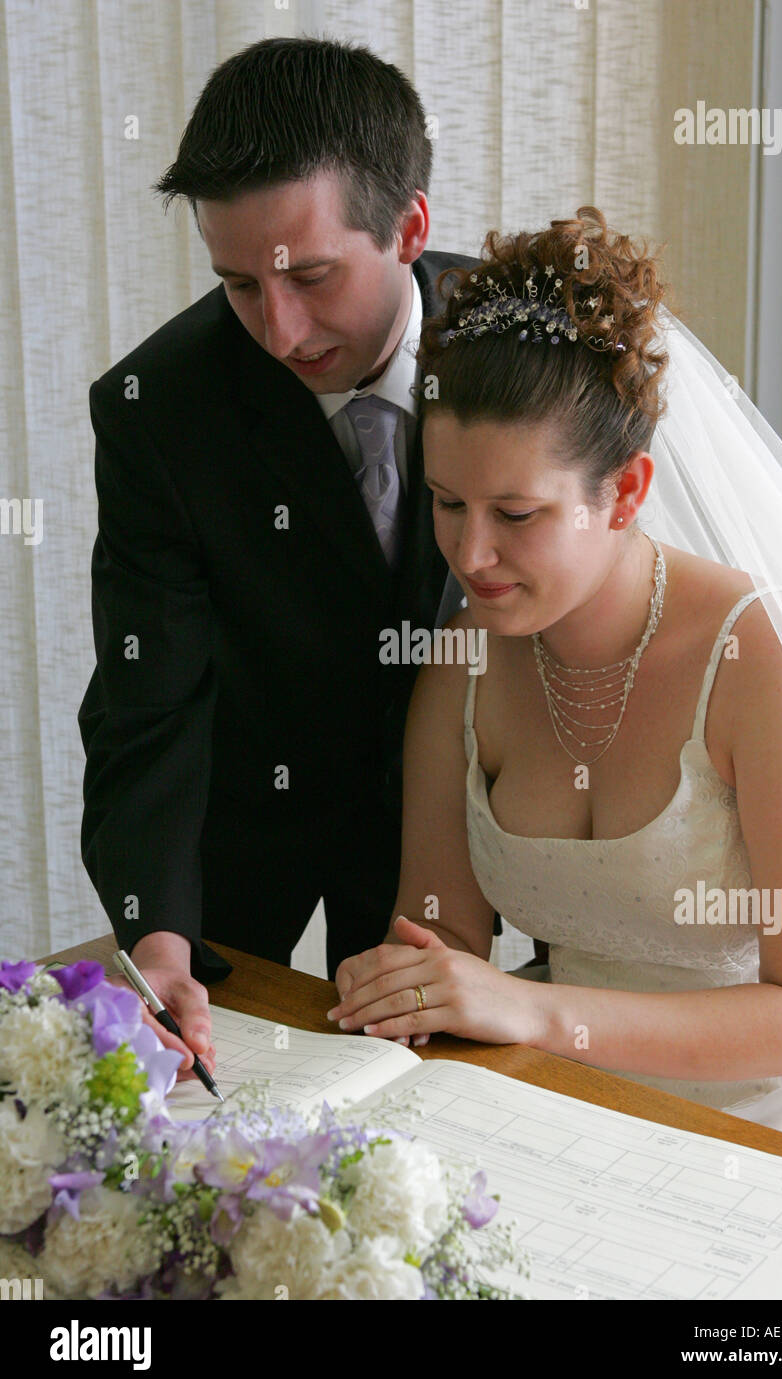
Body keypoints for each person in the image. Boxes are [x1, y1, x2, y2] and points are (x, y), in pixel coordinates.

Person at [331, 207, 782, 1159]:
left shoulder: (762, 657)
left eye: (518, 513)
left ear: (624, 492)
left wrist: (534, 1012)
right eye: (449, 504)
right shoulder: (464, 667)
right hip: (552, 1096)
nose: (472, 553)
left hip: (775, 1113)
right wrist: (401, 990)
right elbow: (440, 939)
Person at [77, 36, 474, 1084]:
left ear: (410, 226)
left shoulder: (523, 350)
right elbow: (144, 690)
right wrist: (154, 933)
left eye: (309, 276)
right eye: (239, 284)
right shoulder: (157, 410)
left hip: (488, 828)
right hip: (255, 809)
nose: (280, 328)